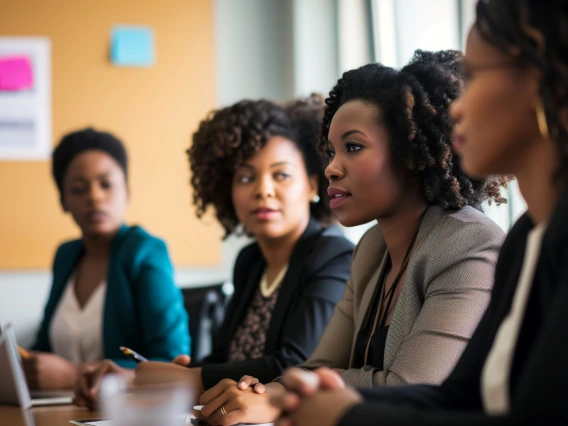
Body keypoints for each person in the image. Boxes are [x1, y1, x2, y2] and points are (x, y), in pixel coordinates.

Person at [273, 1, 568, 425]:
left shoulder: (475, 241)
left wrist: (343, 413)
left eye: (478, 76)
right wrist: (289, 394)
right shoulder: (526, 237)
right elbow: (459, 397)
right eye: (330, 152)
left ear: (542, 76)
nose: (458, 109)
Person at [194, 50, 509, 425]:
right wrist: (264, 392)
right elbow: (319, 365)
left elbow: (412, 387)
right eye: (330, 152)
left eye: (353, 147)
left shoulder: (468, 244)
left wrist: (283, 399)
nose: (331, 168)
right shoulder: (372, 248)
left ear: (411, 153)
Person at [74, 96, 354, 408]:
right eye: (246, 177)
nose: (263, 189)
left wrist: (193, 379)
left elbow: (296, 364)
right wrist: (166, 374)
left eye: (281, 175)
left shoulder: (332, 256)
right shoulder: (250, 261)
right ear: (227, 191)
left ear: (313, 185)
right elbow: (225, 357)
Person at [25, 128, 189, 390]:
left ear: (127, 191)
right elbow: (43, 348)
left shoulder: (146, 251)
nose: (94, 197)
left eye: (106, 184)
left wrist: (75, 375)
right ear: (63, 201)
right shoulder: (65, 255)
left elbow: (172, 360)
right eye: (79, 189)